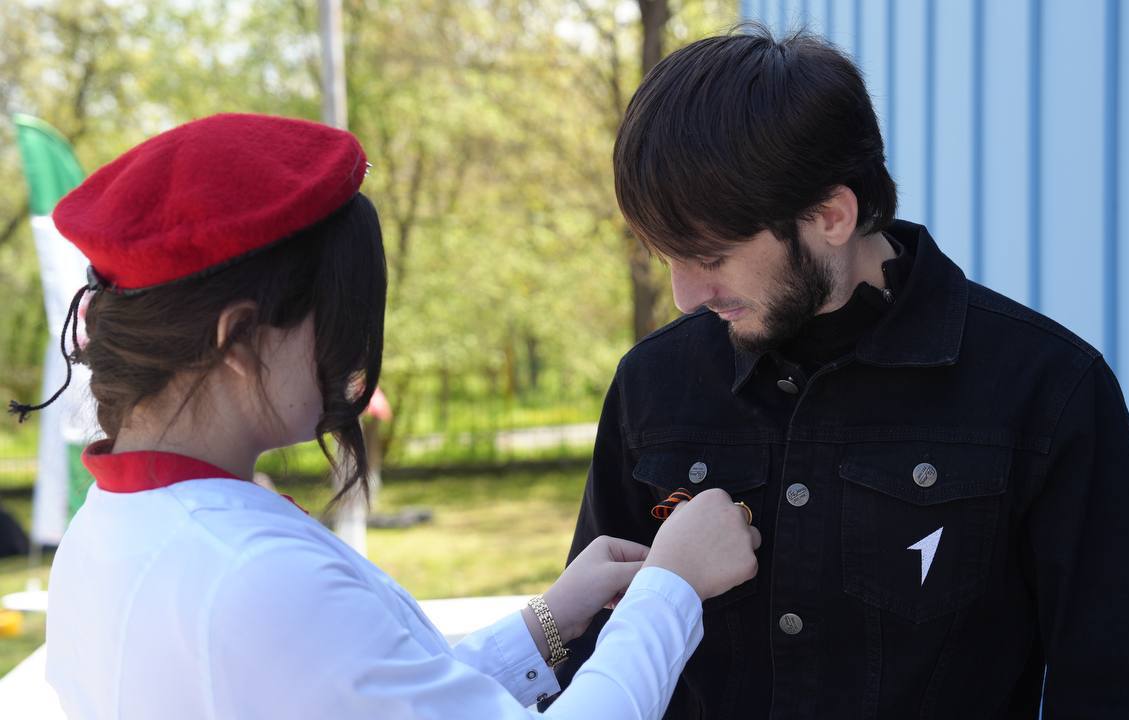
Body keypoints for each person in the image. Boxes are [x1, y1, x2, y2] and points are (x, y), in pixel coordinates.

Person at [12, 113, 761, 719]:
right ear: (238, 339)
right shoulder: (255, 576)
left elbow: (367, 696)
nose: (353, 354)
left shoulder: (111, 534)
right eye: (337, 317)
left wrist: (548, 621)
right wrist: (672, 587)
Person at [552, 29, 1129, 719]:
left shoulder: (1048, 389)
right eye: (664, 257)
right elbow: (591, 661)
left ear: (832, 215)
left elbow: (1119, 691)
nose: (683, 296)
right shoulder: (652, 384)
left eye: (710, 257)